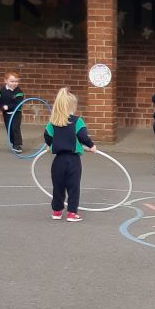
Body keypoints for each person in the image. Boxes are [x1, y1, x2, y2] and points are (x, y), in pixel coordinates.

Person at [44, 87, 95, 221]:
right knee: (73, 187)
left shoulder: (52, 122)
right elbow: (83, 136)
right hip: (73, 160)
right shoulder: (77, 121)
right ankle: (72, 213)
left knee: (58, 187)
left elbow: (47, 137)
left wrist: (49, 145)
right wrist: (92, 146)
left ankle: (56, 211)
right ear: (72, 106)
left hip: (58, 161)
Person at [0, 71, 26, 154]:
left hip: (16, 113)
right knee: (9, 129)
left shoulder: (19, 92)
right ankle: (13, 142)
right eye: (12, 81)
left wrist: (9, 106)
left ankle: (18, 145)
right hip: (6, 113)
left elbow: (18, 104)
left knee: (15, 128)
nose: (14, 83)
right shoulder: (2, 91)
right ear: (6, 81)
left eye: (16, 81)